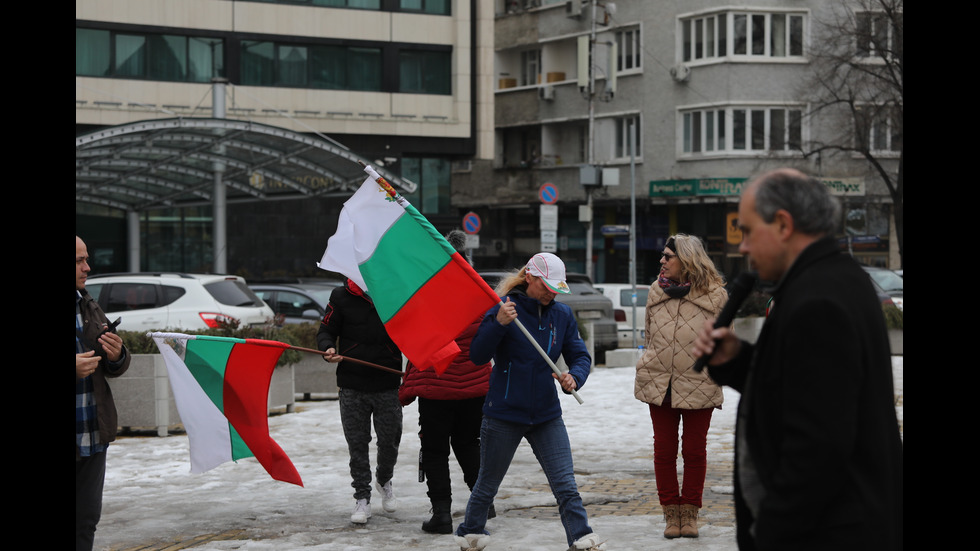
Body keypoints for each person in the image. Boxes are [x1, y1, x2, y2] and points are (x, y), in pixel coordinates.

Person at [692, 168, 903, 550]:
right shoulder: (836, 277)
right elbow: (800, 386)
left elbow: (818, 450)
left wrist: (772, 532)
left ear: (784, 225)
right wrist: (738, 359)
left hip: (829, 534)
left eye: (748, 230)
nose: (743, 247)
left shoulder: (817, 300)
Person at [455, 253, 605, 551]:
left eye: (556, 288)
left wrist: (574, 376)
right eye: (547, 286)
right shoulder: (503, 308)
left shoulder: (561, 315)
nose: (552, 292)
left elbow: (580, 355)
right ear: (530, 278)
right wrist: (498, 324)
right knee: (487, 484)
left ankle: (580, 537)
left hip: (546, 415)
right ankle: (471, 533)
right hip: (504, 413)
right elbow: (477, 356)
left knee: (565, 483)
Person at [398, 230, 494, 534]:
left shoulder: (427, 294)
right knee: (469, 443)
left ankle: (441, 514)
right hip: (474, 387)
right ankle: (484, 502)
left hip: (435, 387)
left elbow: (415, 338)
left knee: (435, 450)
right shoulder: (478, 293)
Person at [634, 234, 728, 539]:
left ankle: (690, 513)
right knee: (663, 450)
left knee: (694, 451)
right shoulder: (654, 292)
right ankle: (670, 513)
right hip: (659, 382)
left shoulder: (716, 296)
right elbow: (649, 336)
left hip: (699, 382)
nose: (661, 261)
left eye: (667, 256)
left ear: (686, 260)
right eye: (662, 256)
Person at [318, 278, 403, 525]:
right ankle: (362, 498)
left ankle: (384, 479)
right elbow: (326, 331)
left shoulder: (393, 291)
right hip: (352, 384)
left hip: (387, 382)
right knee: (357, 444)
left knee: (390, 441)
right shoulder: (340, 296)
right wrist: (327, 349)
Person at [76, 235, 131, 551]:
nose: (88, 267)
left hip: (93, 434)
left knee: (85, 522)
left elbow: (116, 363)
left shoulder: (87, 303)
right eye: (79, 261)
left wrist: (117, 355)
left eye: (86, 259)